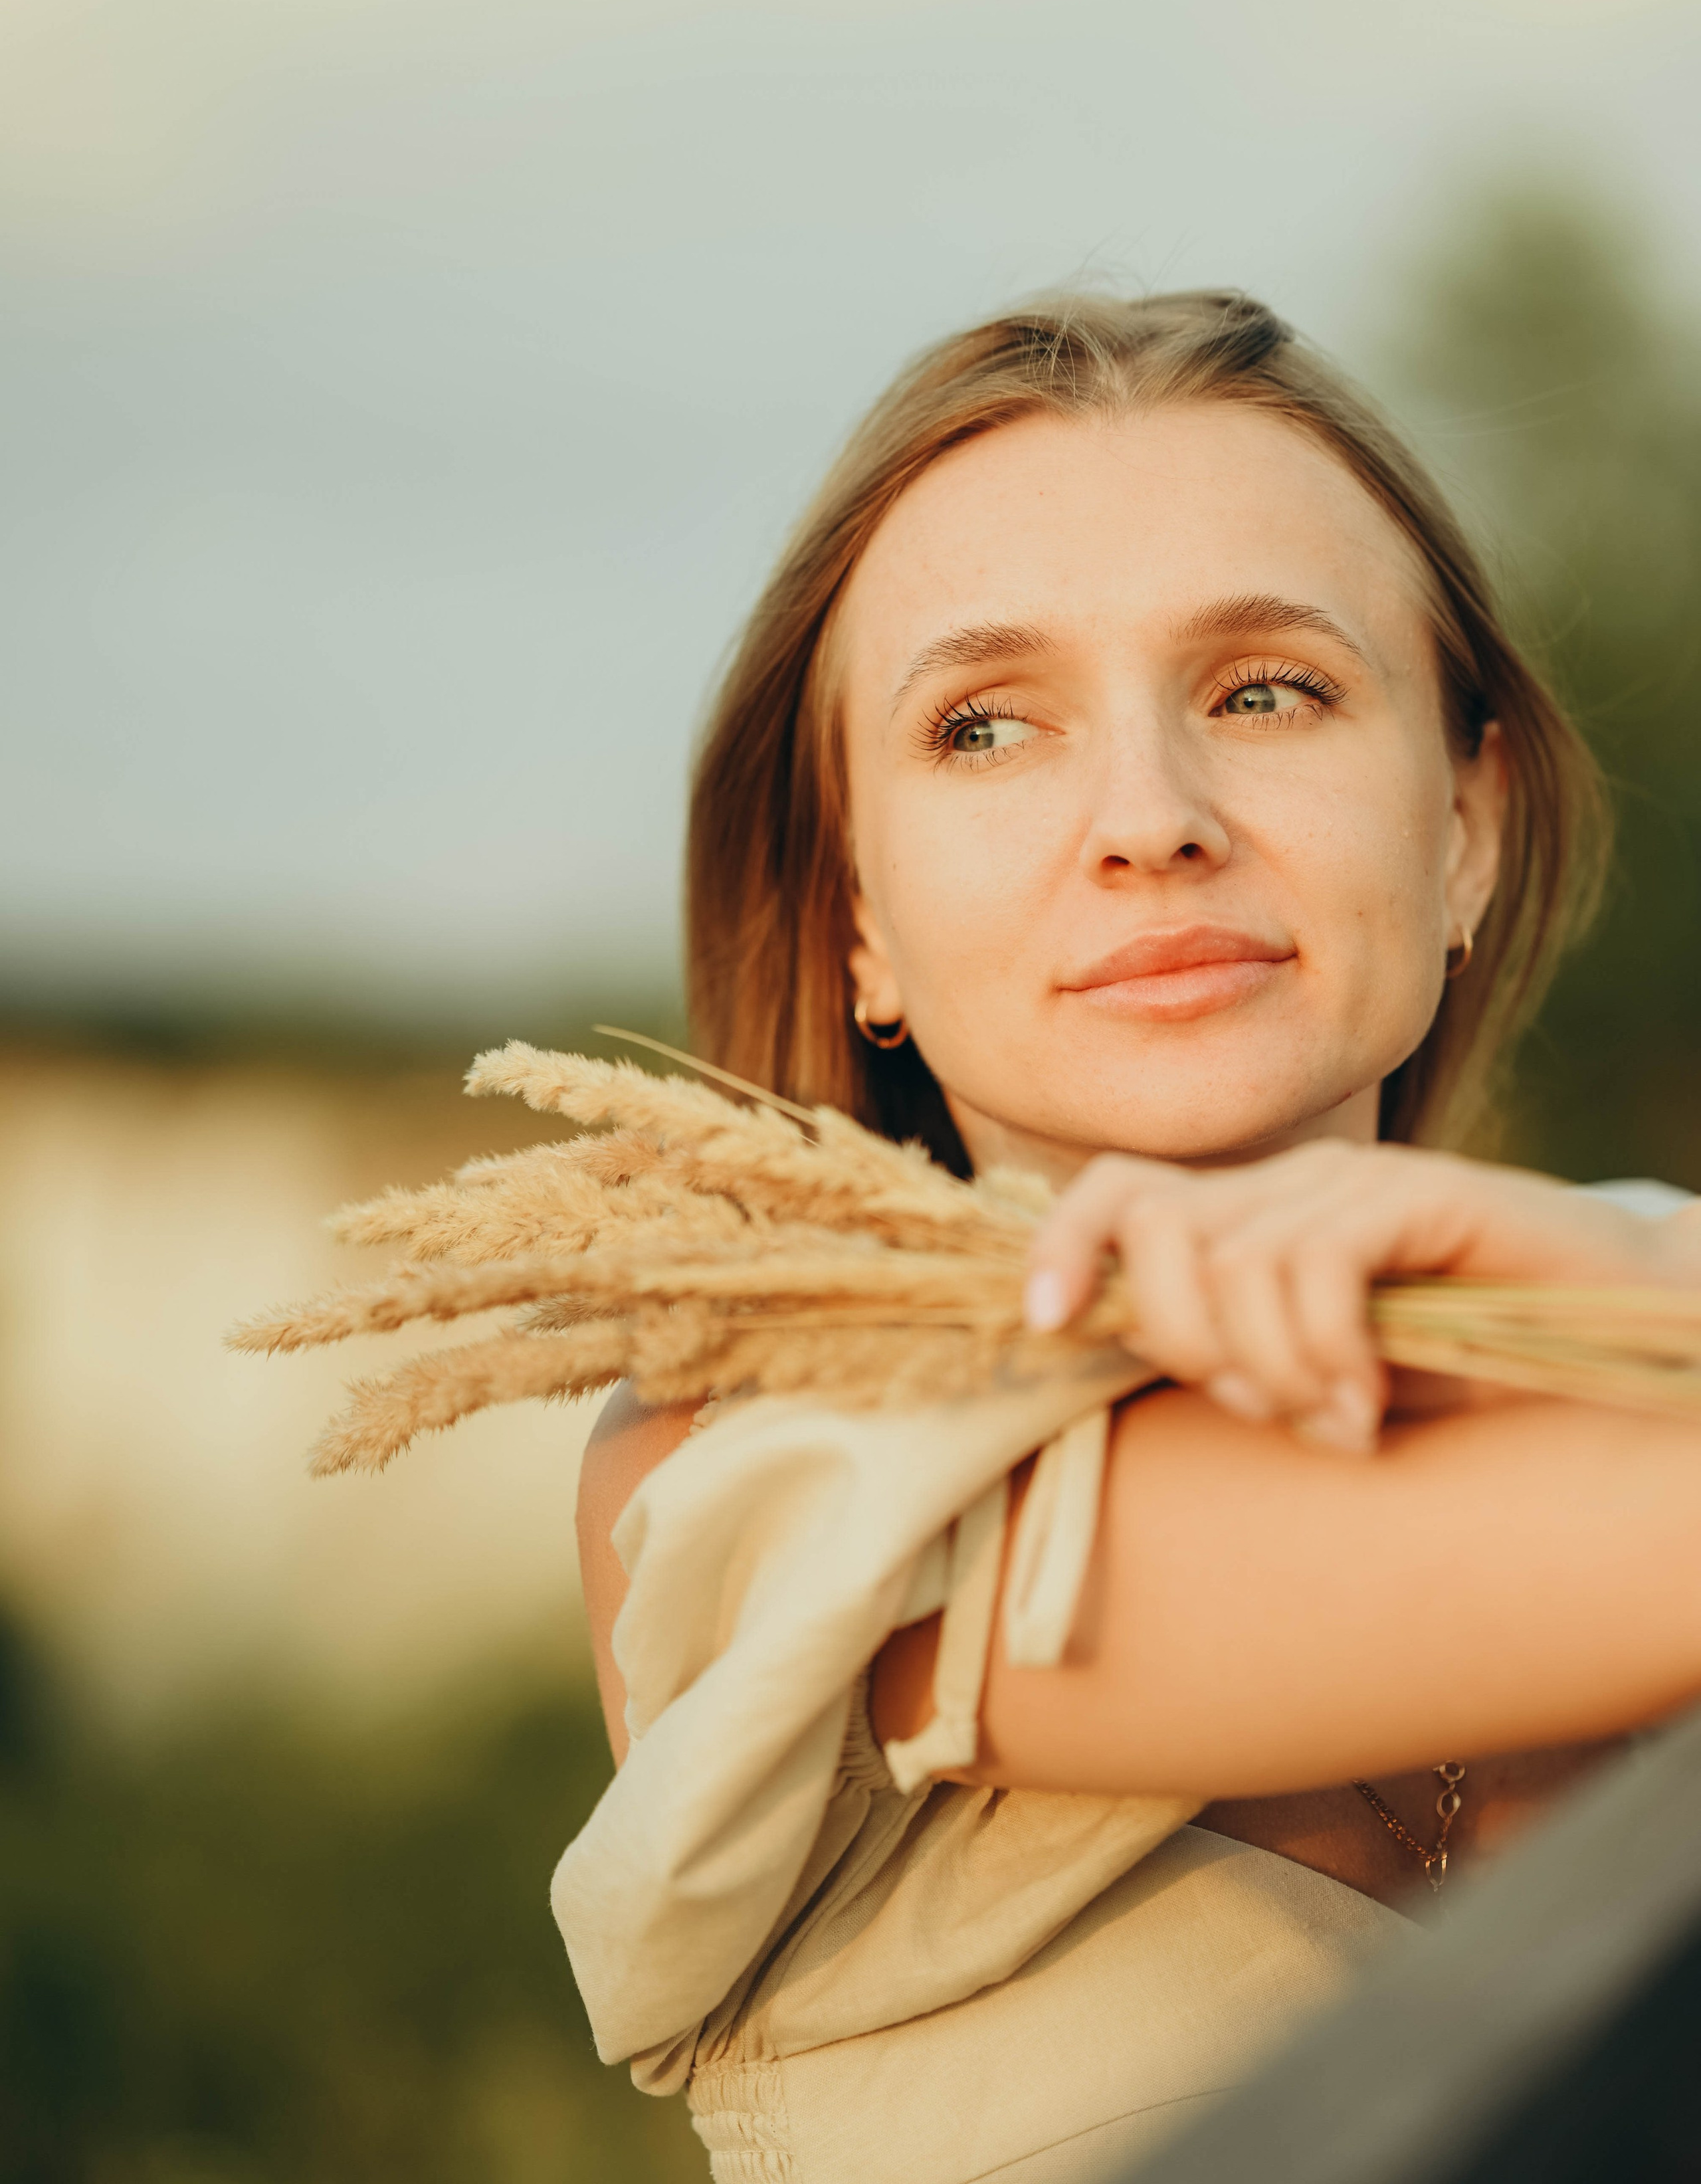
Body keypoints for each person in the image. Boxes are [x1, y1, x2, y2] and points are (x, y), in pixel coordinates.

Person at [564, 292, 1701, 2184]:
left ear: (1469, 824)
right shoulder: (759, 1470)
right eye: (988, 724)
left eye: (1268, 688)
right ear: (859, 917)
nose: (1151, 820)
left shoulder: (1641, 1267)